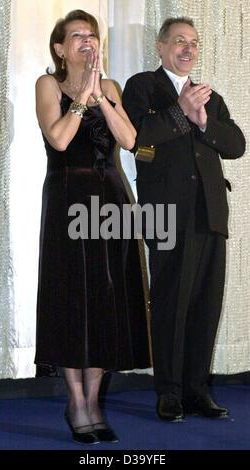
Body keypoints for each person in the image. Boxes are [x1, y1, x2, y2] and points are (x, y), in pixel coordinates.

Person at [34, 9, 150, 444]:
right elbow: (59, 139)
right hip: (68, 199)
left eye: (92, 35)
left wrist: (100, 94)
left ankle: (94, 402)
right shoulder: (49, 84)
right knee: (71, 298)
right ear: (60, 48)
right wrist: (81, 98)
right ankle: (75, 402)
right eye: (77, 35)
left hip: (112, 200)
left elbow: (130, 140)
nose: (87, 41)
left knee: (106, 297)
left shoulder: (110, 87)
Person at [122, 17, 245, 421]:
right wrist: (181, 112)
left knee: (205, 304)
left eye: (193, 42)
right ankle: (169, 392)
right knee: (171, 304)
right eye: (179, 41)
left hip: (210, 213)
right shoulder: (142, 86)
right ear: (160, 47)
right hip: (166, 214)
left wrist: (204, 120)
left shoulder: (209, 95)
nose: (187, 49)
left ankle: (196, 390)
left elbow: (236, 145)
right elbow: (138, 139)